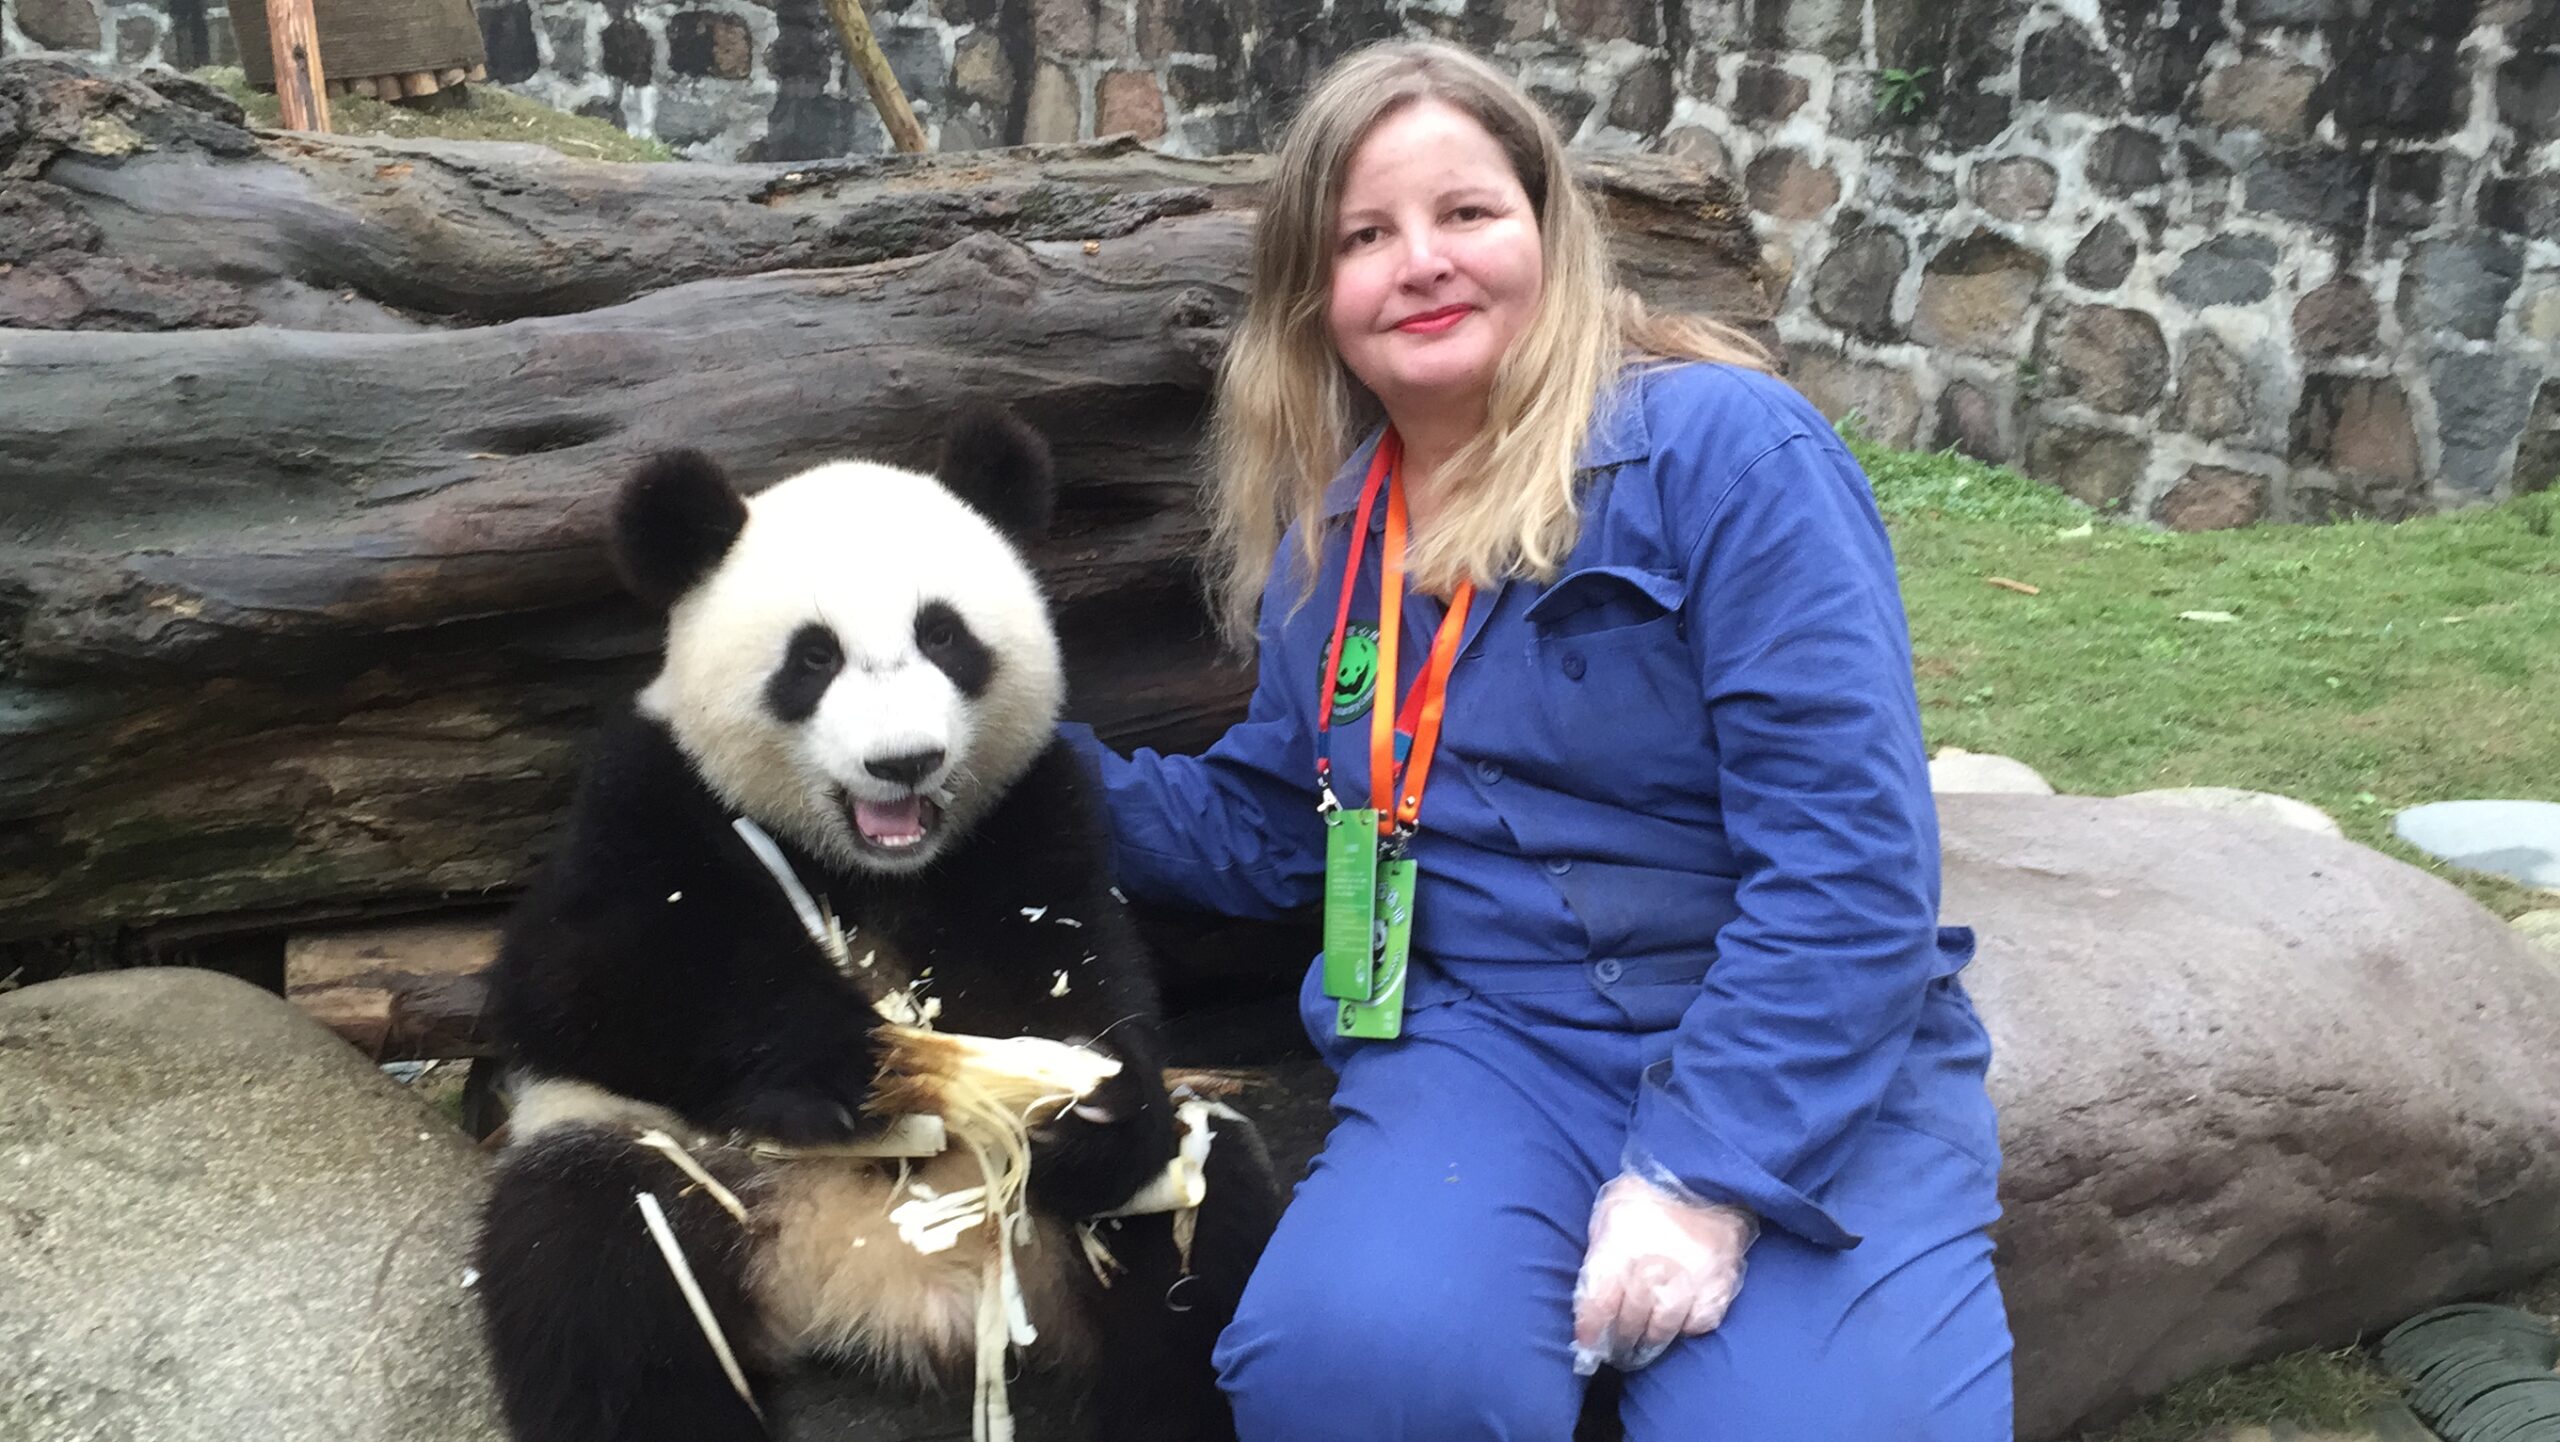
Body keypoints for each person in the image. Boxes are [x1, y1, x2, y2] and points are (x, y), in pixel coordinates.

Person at [1057, 38, 2011, 1442]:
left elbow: (1851, 864)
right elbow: (1281, 824)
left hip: (1788, 1037)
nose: (1421, 262)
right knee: (1349, 1369)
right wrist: (1019, 761)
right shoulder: (1334, 549)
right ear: (1316, 301)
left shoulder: (1728, 453)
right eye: (1365, 237)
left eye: (1466, 214)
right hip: (1493, 1044)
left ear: (1550, 234)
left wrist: (1702, 1178)